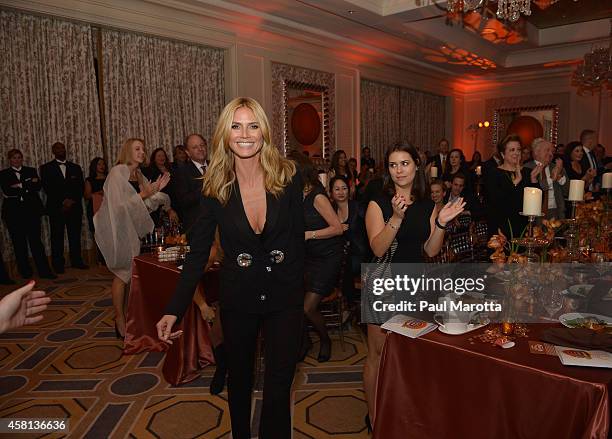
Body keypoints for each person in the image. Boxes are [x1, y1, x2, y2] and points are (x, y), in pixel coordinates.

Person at [156, 97, 305, 439]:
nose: (245, 134)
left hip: (285, 298)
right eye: (236, 126)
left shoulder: (288, 177)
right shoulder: (215, 187)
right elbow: (197, 253)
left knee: (279, 387)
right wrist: (174, 309)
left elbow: (298, 239)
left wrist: (298, 288)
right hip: (239, 298)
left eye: (253, 125)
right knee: (239, 383)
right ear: (225, 134)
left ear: (264, 132)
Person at [362, 142, 465, 431]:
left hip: (414, 284)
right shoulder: (378, 203)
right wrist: (395, 217)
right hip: (382, 284)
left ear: (416, 165)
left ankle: (402, 411)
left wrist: (441, 223)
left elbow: (431, 251)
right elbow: (378, 248)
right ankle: (376, 418)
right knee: (378, 354)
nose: (399, 170)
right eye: (393, 165)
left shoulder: (427, 205)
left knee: (408, 353)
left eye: (404, 163)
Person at [94, 138, 171, 338]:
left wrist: (155, 192)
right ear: (128, 150)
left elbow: (146, 206)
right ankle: (119, 318)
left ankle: (131, 316)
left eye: (143, 149)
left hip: (134, 231)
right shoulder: (117, 172)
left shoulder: (139, 174)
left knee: (132, 274)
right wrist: (144, 193)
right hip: (118, 229)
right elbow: (117, 206)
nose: (142, 152)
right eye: (137, 149)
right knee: (122, 274)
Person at [292, 152, 344, 362]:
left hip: (328, 257)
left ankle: (325, 340)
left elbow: (338, 228)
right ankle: (304, 341)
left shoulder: (318, 196)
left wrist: (308, 235)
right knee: (295, 303)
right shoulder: (297, 193)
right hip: (308, 257)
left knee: (307, 308)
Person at [0, 149, 56, 279]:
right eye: (14, 158)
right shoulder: (3, 174)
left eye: (19, 157)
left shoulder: (31, 170)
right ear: (9, 159)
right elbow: (7, 190)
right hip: (13, 213)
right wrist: (27, 184)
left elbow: (37, 187)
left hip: (31, 212)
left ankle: (44, 271)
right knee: (19, 244)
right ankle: (25, 272)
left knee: (36, 242)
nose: (17, 160)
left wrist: (19, 186)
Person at [40, 142, 88, 272]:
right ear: (53, 151)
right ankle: (58, 264)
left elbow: (80, 187)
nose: (60, 150)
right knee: (57, 236)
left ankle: (77, 261)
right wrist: (62, 201)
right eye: (57, 148)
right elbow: (47, 187)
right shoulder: (45, 168)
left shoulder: (75, 167)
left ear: (65, 149)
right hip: (56, 208)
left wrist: (71, 200)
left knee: (75, 236)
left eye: (62, 147)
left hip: (74, 207)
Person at [484, 134, 542, 239]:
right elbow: (496, 202)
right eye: (512, 150)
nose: (516, 153)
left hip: (523, 229)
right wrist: (515, 182)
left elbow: (538, 203)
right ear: (502, 154)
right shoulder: (493, 173)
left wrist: (533, 180)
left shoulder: (528, 172)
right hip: (501, 229)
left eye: (518, 150)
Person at [329, 176, 368, 308]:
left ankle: (348, 303)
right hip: (338, 251)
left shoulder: (358, 207)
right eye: (337, 189)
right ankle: (340, 301)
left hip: (358, 253)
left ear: (349, 190)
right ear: (331, 192)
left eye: (344, 188)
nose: (341, 192)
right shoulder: (330, 209)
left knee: (345, 266)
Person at [524, 138, 568, 219]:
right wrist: (552, 179)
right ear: (536, 152)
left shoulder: (558, 167)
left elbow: (567, 191)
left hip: (556, 212)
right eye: (547, 150)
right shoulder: (527, 168)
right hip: (535, 212)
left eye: (552, 151)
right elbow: (537, 190)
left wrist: (560, 178)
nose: (551, 154)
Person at [174, 134, 208, 233]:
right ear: (188, 152)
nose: (200, 149)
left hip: (221, 227)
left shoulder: (217, 167)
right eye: (195, 147)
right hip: (197, 228)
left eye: (202, 145)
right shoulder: (181, 172)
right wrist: (207, 186)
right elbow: (183, 201)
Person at [84, 157, 108, 262]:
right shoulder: (89, 180)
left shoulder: (109, 178)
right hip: (95, 210)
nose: (102, 166)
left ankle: (110, 258)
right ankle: (101, 260)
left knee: (110, 235)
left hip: (108, 209)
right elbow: (87, 195)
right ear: (94, 166)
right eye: (99, 164)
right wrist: (98, 194)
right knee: (98, 235)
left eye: (103, 164)